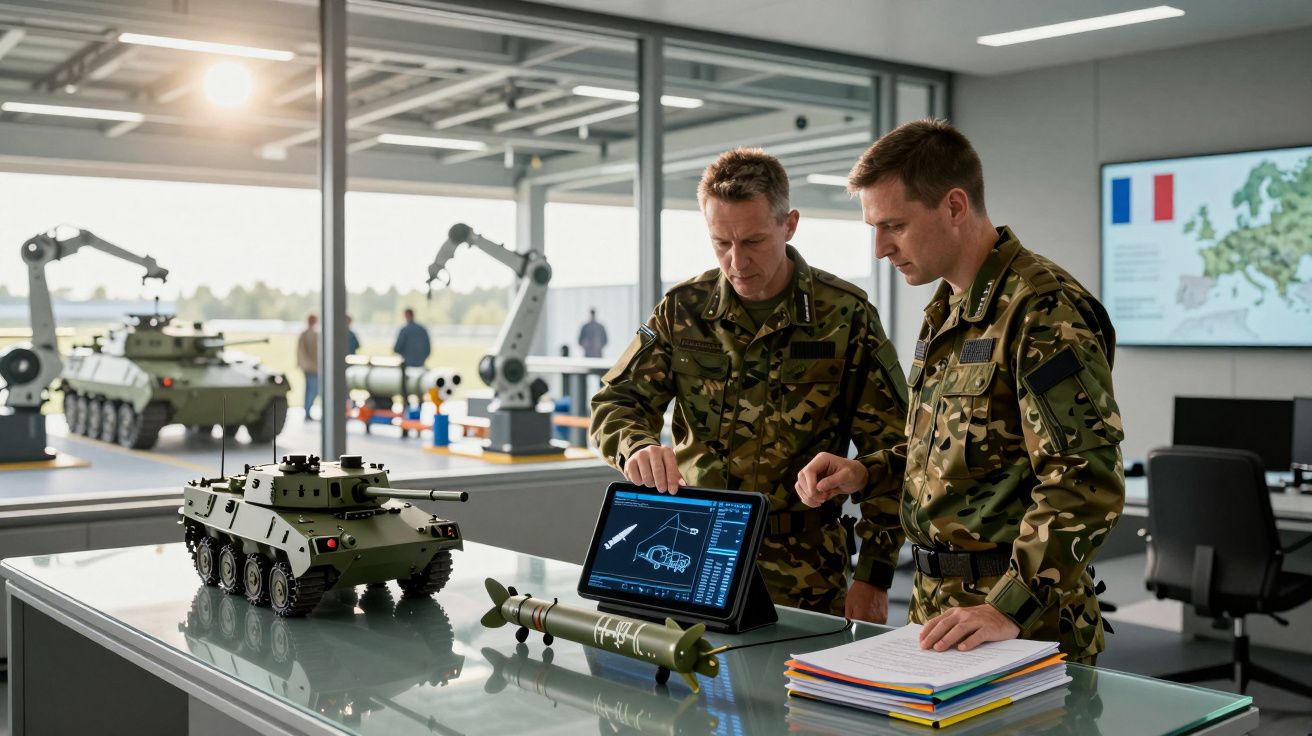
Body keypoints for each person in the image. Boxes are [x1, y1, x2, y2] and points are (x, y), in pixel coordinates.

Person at [795, 119, 1124, 664]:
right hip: (937, 614)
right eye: (874, 228)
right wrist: (865, 472)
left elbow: (1084, 478)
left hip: (1019, 623)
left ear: (953, 206)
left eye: (893, 225)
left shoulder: (1042, 310)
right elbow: (946, 454)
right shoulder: (946, 311)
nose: (880, 249)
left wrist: (1008, 607)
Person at [590, 148, 909, 622]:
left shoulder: (844, 315)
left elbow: (893, 447)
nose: (736, 261)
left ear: (790, 224)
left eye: (754, 241)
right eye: (721, 242)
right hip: (691, 550)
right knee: (682, 688)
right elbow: (617, 400)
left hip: (807, 569)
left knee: (792, 694)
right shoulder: (684, 310)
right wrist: (635, 445)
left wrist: (875, 575)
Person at [296, 313, 319, 420]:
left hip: (312, 367)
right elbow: (301, 352)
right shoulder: (307, 334)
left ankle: (307, 411)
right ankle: (307, 411)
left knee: (310, 389)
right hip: (310, 368)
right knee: (312, 390)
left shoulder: (311, 334)